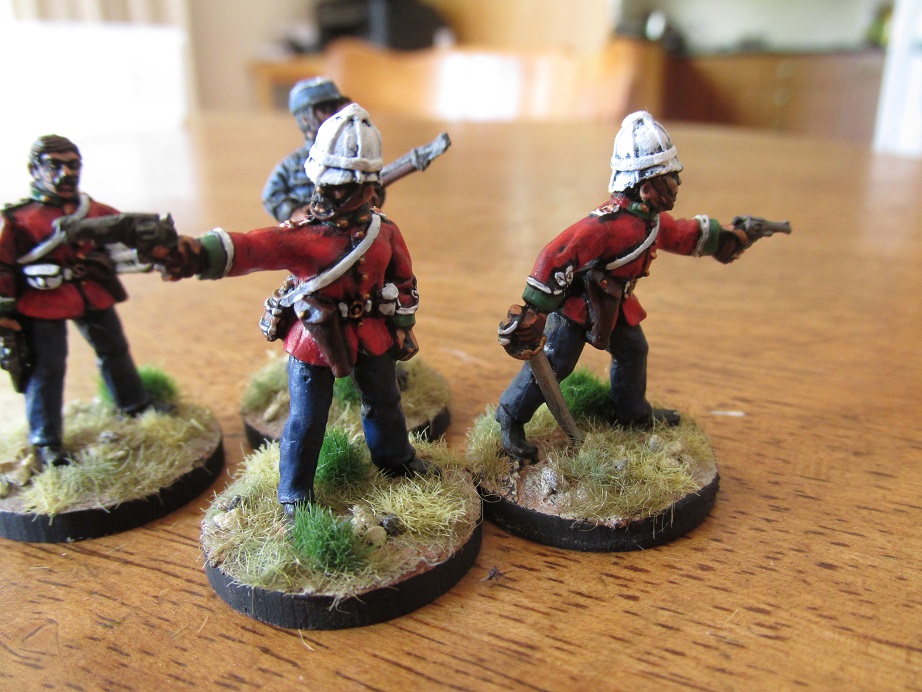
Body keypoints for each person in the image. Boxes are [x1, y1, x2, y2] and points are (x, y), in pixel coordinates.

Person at [163, 104, 435, 517]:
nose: (324, 194)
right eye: (323, 184)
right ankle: (294, 493)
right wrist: (197, 254)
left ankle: (395, 460)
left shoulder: (384, 231)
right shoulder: (303, 235)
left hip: (371, 332)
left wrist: (401, 325)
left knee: (385, 401)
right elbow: (253, 247)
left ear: (366, 187)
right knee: (307, 419)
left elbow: (404, 281)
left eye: (337, 187)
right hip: (315, 337)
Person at [496, 111, 754, 460]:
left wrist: (725, 238)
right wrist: (535, 311)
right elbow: (557, 255)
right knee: (556, 363)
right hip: (577, 307)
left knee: (633, 350)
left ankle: (632, 413)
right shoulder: (604, 225)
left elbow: (683, 234)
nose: (676, 184)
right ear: (646, 184)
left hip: (614, 303)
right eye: (669, 178)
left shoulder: (651, 220)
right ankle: (510, 417)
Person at [0, 135, 163, 468]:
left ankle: (134, 404)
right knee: (46, 368)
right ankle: (46, 441)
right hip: (42, 301)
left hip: (91, 291)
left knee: (114, 350)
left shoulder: (92, 210)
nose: (66, 173)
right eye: (54, 166)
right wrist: (4, 312)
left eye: (72, 165)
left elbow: (126, 229)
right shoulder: (17, 220)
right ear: (34, 170)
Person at [261, 77, 352, 222]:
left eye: (335, 108)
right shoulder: (293, 163)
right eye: (326, 110)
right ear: (305, 118)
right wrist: (294, 213)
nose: (333, 115)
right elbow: (271, 196)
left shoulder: (348, 158)